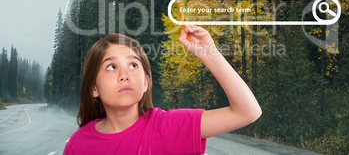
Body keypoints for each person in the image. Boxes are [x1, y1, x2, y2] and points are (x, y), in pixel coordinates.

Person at [63, 25, 261, 154]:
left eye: (133, 65)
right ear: (93, 88)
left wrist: (210, 54)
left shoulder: (169, 126)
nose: (124, 75)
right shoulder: (78, 145)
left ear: (146, 82)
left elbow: (247, 112)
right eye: (111, 67)